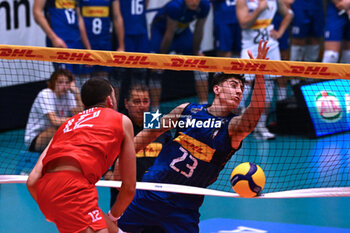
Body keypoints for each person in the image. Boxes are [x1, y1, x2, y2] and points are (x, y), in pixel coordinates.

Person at [117, 40, 269, 233]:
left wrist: (261, 74)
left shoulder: (233, 127)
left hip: (186, 204)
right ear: (217, 89)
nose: (239, 91)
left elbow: (254, 113)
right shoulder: (186, 109)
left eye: (241, 87)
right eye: (233, 85)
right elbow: (150, 132)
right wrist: (121, 162)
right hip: (152, 193)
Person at [26, 78, 136, 233]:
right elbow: (129, 188)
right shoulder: (122, 120)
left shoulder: (66, 125)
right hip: (74, 189)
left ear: (85, 105)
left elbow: (32, 180)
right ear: (109, 101)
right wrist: (113, 216)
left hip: (46, 193)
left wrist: (51, 207)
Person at [106, 84, 171, 233]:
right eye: (136, 101)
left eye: (145, 101)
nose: (141, 106)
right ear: (126, 103)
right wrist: (115, 181)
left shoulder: (156, 123)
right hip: (126, 201)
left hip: (155, 197)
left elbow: (170, 156)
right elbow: (104, 166)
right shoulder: (119, 126)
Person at [236, 0, 293, 140]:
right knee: (245, 84)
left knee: (268, 85)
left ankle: (261, 126)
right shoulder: (242, 2)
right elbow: (243, 23)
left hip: (270, 47)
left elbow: (289, 14)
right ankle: (237, 124)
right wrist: (259, 9)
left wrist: (279, 32)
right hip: (250, 49)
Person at [149, 0, 211, 111]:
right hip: (162, 32)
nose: (195, 2)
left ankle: (204, 107)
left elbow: (199, 29)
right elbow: (169, 33)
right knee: (156, 70)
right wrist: (161, 59)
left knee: (201, 65)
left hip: (182, 32)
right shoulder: (175, 7)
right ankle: (154, 112)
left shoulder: (205, 5)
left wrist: (196, 52)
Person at [33, 0, 91, 89]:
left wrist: (87, 47)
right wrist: (53, 38)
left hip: (76, 41)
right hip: (60, 42)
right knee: (66, 83)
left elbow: (79, 18)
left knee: (80, 83)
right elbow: (37, 13)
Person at [25, 69, 83, 152]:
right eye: (60, 82)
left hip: (55, 134)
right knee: (59, 129)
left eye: (67, 83)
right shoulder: (45, 94)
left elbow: (80, 115)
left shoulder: (68, 94)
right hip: (36, 139)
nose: (64, 86)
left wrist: (77, 93)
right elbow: (55, 121)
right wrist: (74, 120)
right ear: (53, 83)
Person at [79, 0, 124, 81]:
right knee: (84, 79)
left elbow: (117, 17)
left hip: (104, 42)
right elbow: (79, 19)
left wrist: (121, 46)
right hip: (85, 42)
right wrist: (87, 47)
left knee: (102, 79)